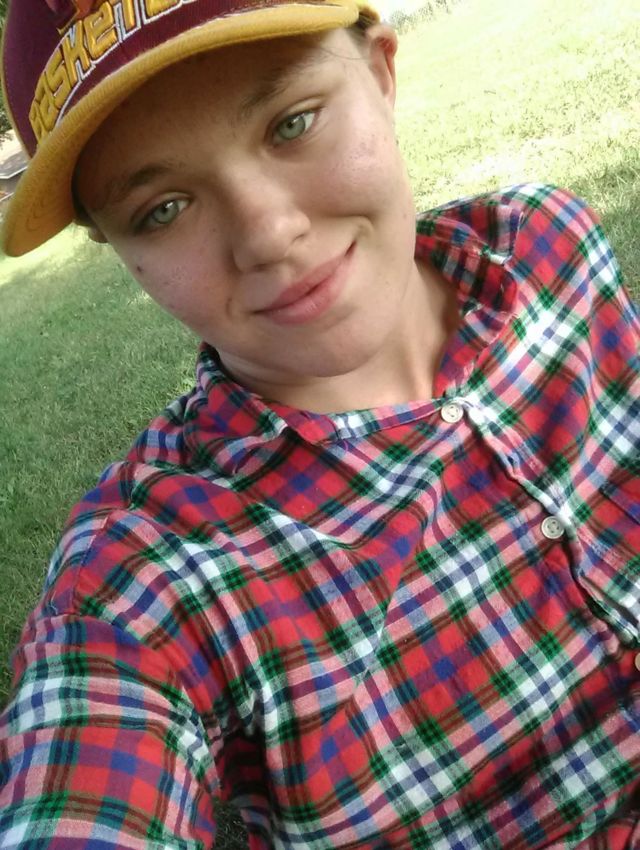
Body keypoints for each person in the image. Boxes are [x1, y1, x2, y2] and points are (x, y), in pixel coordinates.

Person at [0, 0, 638, 847]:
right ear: (123, 251)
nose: (268, 234)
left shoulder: (548, 247)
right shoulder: (143, 584)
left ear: (380, 71)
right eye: (163, 208)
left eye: (292, 123)